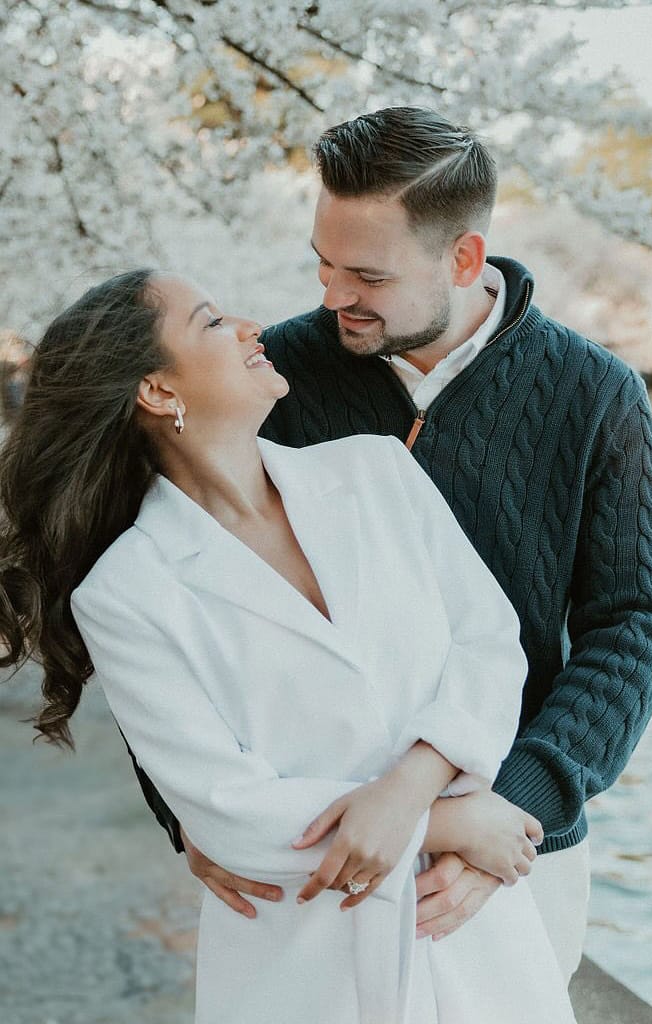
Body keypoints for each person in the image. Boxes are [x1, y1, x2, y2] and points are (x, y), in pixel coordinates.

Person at [133, 106, 652, 981]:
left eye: (367, 275)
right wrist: (186, 809)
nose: (333, 296)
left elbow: (633, 624)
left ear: (462, 258)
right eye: (323, 263)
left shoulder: (595, 393)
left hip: (516, 845)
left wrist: (515, 809)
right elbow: (166, 576)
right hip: (315, 844)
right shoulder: (271, 375)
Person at [0, 269, 577, 1023]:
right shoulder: (126, 591)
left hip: (468, 927)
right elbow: (226, 808)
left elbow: (489, 644)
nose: (250, 326)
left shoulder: (376, 470)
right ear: (158, 391)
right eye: (211, 321)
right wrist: (446, 822)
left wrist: (411, 789)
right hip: (305, 957)